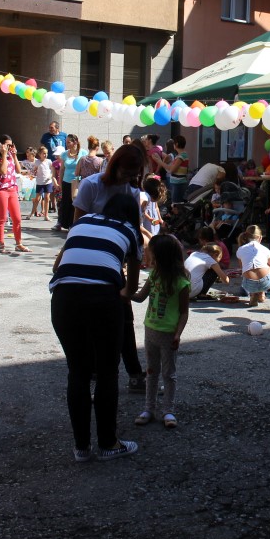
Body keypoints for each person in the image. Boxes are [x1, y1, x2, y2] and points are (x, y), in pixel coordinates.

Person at [50, 194, 143, 462]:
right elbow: (130, 289)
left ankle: (81, 447)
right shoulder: (131, 231)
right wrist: (114, 292)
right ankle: (108, 443)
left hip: (64, 298)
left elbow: (57, 267)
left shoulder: (82, 222)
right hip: (103, 299)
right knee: (106, 372)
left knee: (77, 371)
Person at [73, 144, 148, 393]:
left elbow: (134, 231)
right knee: (94, 319)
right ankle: (97, 368)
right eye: (126, 172)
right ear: (115, 165)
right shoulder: (91, 185)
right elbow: (77, 226)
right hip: (91, 258)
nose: (129, 178)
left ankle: (133, 372)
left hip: (116, 261)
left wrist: (127, 271)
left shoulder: (131, 190)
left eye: (134, 174)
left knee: (124, 318)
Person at [132, 234, 190, 430]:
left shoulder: (181, 282)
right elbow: (140, 297)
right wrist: (123, 290)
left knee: (168, 374)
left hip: (168, 334)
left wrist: (178, 334)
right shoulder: (154, 275)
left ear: (162, 257)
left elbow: (184, 312)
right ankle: (149, 408)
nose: (150, 259)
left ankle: (168, 410)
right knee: (151, 371)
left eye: (153, 255)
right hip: (150, 330)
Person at [0, 134, 30, 254]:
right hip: (1, 190)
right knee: (2, 218)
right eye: (8, 145)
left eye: (11, 145)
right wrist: (3, 154)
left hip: (12, 189)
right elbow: (3, 171)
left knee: (17, 218)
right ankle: (1, 245)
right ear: (0, 145)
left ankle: (18, 244)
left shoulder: (10, 156)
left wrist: (14, 155)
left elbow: (18, 170)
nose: (10, 147)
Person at [235, 225, 270, 307]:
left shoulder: (240, 250)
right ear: (260, 238)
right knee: (266, 268)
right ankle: (262, 293)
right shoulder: (266, 250)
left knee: (247, 274)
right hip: (265, 282)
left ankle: (253, 294)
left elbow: (243, 269)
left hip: (249, 284)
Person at [53, 134, 81, 231]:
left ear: (75, 142)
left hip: (77, 182)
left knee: (75, 203)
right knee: (65, 203)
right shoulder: (64, 154)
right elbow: (62, 170)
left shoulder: (83, 153)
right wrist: (60, 183)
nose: (67, 144)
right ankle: (65, 223)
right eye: (66, 142)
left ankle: (73, 223)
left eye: (69, 142)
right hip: (66, 181)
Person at [27, 146, 54, 220]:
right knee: (37, 199)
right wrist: (33, 173)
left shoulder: (49, 161)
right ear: (40, 154)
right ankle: (32, 213)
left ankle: (46, 215)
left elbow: (52, 170)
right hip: (40, 182)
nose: (45, 155)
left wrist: (50, 176)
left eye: (46, 153)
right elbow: (34, 170)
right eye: (44, 153)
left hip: (48, 182)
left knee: (47, 198)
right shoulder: (37, 162)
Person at [162, 135, 191, 203]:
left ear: (176, 144)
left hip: (178, 183)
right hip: (180, 182)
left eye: (174, 143)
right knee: (177, 203)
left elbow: (172, 170)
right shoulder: (183, 155)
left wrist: (160, 162)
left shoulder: (181, 156)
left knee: (176, 204)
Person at [141, 177, 165, 245]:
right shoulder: (145, 199)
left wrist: (160, 219)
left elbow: (156, 207)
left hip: (152, 216)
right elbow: (138, 224)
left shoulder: (145, 196)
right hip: (147, 219)